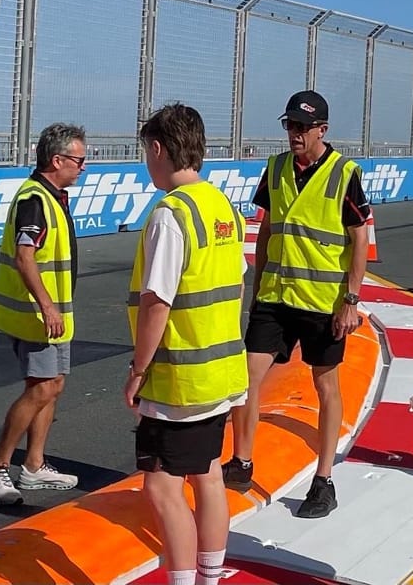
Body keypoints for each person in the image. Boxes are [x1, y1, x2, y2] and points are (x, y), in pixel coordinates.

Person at [223, 90, 370, 519]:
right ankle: (242, 460)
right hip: (275, 297)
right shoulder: (275, 169)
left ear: (322, 129)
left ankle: (323, 480)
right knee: (246, 376)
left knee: (327, 386)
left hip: (323, 303)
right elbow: (267, 229)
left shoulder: (344, 173)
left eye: (303, 127)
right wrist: (257, 290)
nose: (295, 135)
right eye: (289, 126)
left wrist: (351, 300)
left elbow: (359, 235)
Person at [124, 103, 249, 585]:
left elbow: (158, 302)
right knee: (209, 474)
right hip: (222, 371)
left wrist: (138, 370)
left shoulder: (170, 214)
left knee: (161, 487)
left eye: (146, 153)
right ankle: (210, 575)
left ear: (158, 149)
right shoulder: (223, 208)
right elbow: (232, 279)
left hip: (179, 379)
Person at [0, 123, 86, 504]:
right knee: (42, 387)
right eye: (78, 160)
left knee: (53, 386)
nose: (83, 167)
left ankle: (34, 466)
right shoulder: (36, 200)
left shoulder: (52, 196)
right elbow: (26, 258)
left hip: (52, 315)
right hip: (35, 315)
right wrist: (47, 304)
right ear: (57, 160)